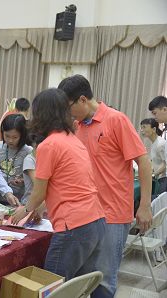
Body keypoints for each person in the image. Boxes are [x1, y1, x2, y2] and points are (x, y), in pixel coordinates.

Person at [59, 75, 152, 298]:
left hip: (112, 214)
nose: (68, 113)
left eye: (68, 107)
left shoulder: (116, 120)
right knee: (81, 279)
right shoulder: (77, 126)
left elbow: (143, 161)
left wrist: (145, 205)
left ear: (82, 100)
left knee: (105, 280)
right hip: (84, 215)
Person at [11, 88, 106, 290]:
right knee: (77, 290)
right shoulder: (73, 140)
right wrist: (38, 208)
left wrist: (25, 210)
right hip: (95, 221)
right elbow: (66, 185)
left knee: (52, 287)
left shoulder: (49, 145)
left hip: (74, 225)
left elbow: (39, 191)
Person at [0, 114, 32, 204]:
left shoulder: (28, 151)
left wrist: (22, 180)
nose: (10, 140)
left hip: (18, 201)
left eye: (15, 137)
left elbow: (32, 178)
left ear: (22, 135)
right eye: (7, 136)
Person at [140, 118, 166, 195]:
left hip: (164, 179)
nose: (141, 130)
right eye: (141, 127)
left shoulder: (160, 143)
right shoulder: (155, 143)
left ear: (154, 129)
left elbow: (165, 165)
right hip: (160, 178)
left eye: (144, 127)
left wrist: (153, 174)